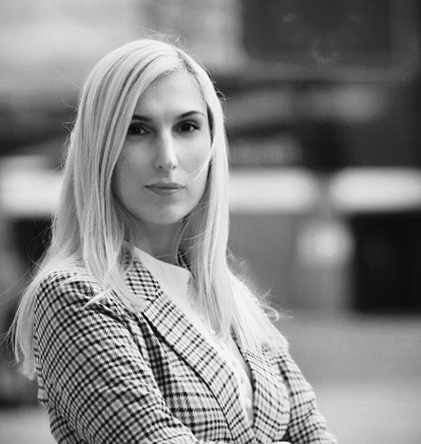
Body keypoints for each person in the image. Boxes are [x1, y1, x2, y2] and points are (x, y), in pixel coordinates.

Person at [11, 38, 337, 443]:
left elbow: (312, 431)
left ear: (212, 141)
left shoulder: (233, 299)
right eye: (136, 129)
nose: (167, 157)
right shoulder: (76, 296)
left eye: (186, 127)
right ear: (100, 147)